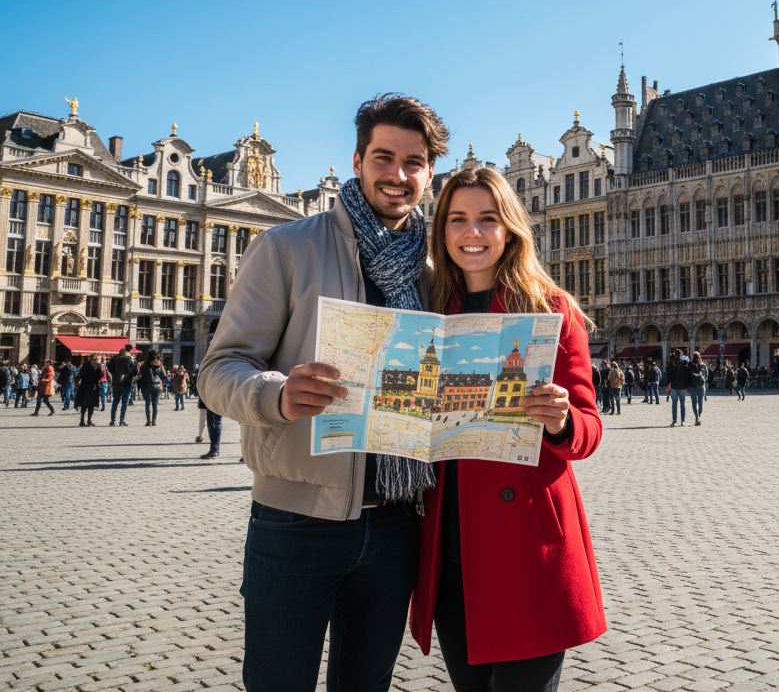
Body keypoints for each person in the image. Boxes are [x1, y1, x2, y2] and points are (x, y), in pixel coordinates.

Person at [199, 94, 449, 692]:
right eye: (384, 157)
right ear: (358, 160)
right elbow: (217, 370)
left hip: (396, 523)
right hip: (296, 521)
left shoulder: (437, 265)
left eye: (413, 163)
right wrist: (277, 395)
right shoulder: (287, 247)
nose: (398, 174)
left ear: (429, 173)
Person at [407, 164, 604, 691]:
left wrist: (561, 423)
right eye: (458, 219)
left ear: (510, 227)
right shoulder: (427, 314)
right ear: (441, 229)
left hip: (525, 550)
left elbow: (588, 428)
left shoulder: (549, 308)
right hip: (453, 550)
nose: (472, 233)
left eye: (487, 219)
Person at [106, 346, 135, 426]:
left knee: (115, 401)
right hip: (126, 383)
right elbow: (134, 369)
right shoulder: (129, 359)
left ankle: (112, 420)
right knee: (124, 402)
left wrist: (114, 375)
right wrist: (129, 376)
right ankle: (121, 420)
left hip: (116, 382)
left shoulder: (114, 359)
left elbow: (108, 367)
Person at [138, 350, 167, 426]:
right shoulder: (160, 365)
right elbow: (164, 375)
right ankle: (154, 421)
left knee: (147, 403)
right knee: (155, 403)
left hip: (146, 385)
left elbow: (140, 374)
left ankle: (148, 421)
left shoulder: (144, 365)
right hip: (157, 385)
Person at [76, 354, 101, 427]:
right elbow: (99, 375)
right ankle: (89, 420)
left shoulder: (85, 365)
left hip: (84, 386)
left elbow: (80, 374)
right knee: (91, 405)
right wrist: (96, 382)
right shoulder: (96, 365)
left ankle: (82, 421)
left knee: (84, 405)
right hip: (93, 386)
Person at [667, 349, 689, 426]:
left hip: (674, 386)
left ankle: (674, 420)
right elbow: (687, 375)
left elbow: (668, 376)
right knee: (682, 404)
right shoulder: (683, 364)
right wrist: (686, 385)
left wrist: (668, 384)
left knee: (674, 404)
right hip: (682, 386)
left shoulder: (671, 364)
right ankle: (682, 420)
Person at [687, 351, 707, 426]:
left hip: (692, 386)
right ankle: (699, 416)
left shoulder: (690, 365)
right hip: (701, 386)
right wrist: (704, 382)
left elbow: (687, 376)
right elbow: (706, 375)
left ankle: (696, 416)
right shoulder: (702, 365)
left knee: (694, 403)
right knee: (700, 403)